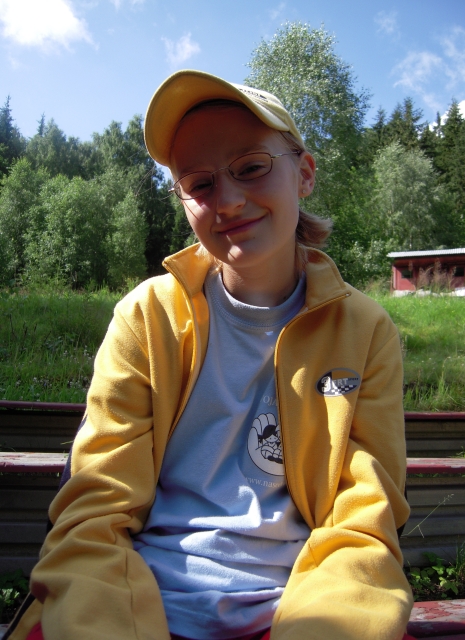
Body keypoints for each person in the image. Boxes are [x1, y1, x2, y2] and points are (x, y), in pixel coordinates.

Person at [7, 70, 414, 640]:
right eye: (199, 183)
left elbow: (363, 520)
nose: (227, 200)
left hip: (302, 608)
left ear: (304, 174)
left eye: (251, 167)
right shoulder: (146, 317)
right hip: (135, 604)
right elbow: (95, 510)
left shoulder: (365, 331)